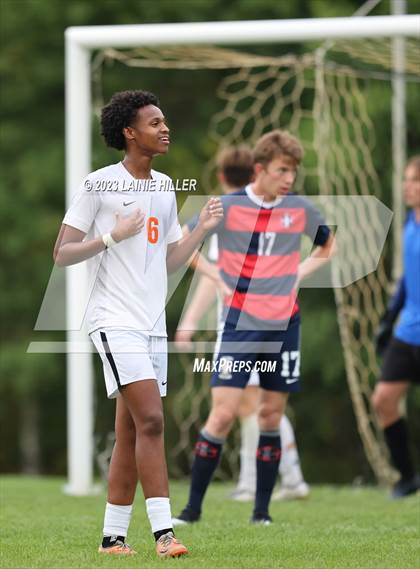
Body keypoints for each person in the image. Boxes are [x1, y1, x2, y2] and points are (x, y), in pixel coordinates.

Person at [53, 90, 223, 557]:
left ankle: (112, 539)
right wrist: (111, 236)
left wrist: (200, 231)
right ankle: (165, 534)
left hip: (151, 324)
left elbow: (167, 261)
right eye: (154, 123)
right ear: (129, 132)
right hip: (113, 320)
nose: (165, 129)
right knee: (152, 419)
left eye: (164, 121)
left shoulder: (165, 188)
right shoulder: (98, 185)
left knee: (131, 430)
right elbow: (62, 252)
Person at [173, 130, 335, 526]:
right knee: (222, 415)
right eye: (282, 170)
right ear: (259, 169)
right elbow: (182, 242)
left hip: (285, 326)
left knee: (270, 415)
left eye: (293, 171)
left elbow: (328, 245)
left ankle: (261, 513)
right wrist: (216, 274)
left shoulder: (300, 209)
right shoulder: (226, 206)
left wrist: (299, 272)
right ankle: (191, 511)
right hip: (240, 327)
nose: (289, 179)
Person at [372, 155, 420, 499]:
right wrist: (390, 318)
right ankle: (407, 477)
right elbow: (407, 278)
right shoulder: (409, 223)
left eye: (414, 180)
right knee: (384, 400)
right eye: (406, 179)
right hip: (407, 331)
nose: (407, 186)